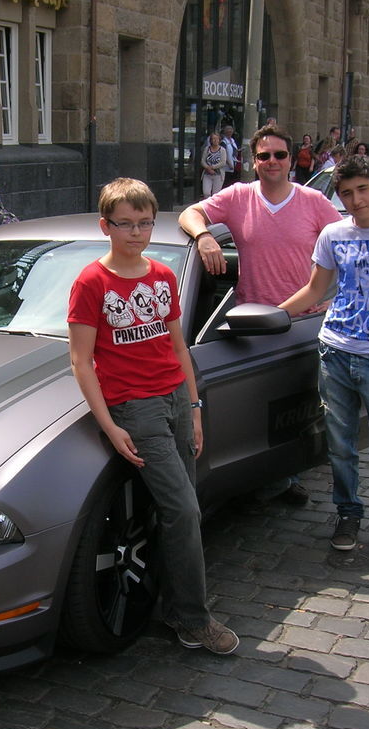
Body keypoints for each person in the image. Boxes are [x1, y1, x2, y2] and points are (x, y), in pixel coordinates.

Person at [68, 177, 239, 656]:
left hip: (175, 401)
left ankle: (173, 602)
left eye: (145, 223)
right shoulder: (91, 282)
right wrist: (109, 424)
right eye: (126, 224)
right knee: (182, 510)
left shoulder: (163, 276)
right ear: (106, 226)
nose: (137, 233)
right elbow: (82, 361)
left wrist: (195, 405)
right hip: (134, 408)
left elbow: (177, 345)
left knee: (182, 510)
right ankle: (193, 618)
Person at [178, 124, 341, 506]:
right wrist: (203, 236)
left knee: (298, 404)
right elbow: (191, 212)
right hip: (251, 322)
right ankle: (263, 472)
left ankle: (293, 472)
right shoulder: (238, 197)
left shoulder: (313, 201)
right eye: (264, 155)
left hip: (302, 319)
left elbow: (345, 242)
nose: (272, 162)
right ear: (254, 161)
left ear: (291, 161)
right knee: (261, 404)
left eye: (280, 155)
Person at [279, 155, 369, 554]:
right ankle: (348, 514)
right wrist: (274, 314)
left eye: (362, 189)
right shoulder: (332, 233)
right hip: (335, 350)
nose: (356, 199)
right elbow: (315, 290)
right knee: (340, 446)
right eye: (347, 193)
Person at [201, 132, 227, 197]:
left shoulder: (222, 150)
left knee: (215, 194)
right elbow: (202, 161)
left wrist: (213, 167)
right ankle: (207, 206)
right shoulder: (207, 149)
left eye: (217, 139)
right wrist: (207, 168)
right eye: (213, 139)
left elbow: (223, 162)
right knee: (206, 192)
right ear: (211, 140)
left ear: (219, 140)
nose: (215, 140)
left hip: (218, 174)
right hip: (207, 174)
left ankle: (213, 206)